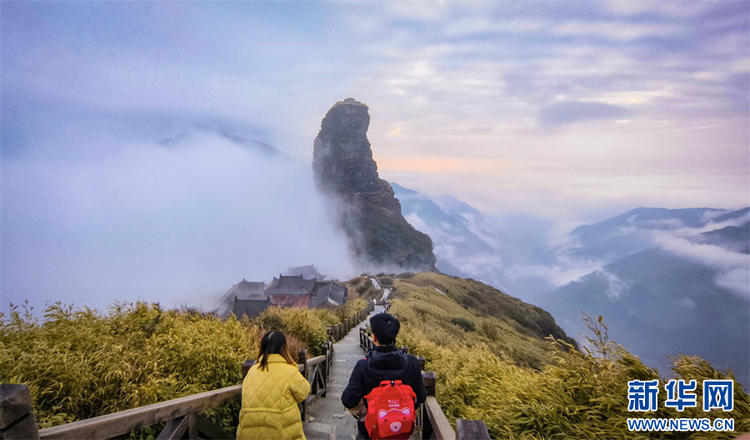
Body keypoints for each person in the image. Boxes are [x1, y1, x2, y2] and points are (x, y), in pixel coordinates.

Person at [342, 313, 427, 439]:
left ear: (374, 337)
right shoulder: (411, 363)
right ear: (395, 336)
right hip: (400, 432)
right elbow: (420, 397)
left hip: (370, 433)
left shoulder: (363, 366)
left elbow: (348, 400)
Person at [237, 331, 311, 440]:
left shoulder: (252, 371)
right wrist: (293, 366)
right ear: (284, 348)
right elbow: (304, 392)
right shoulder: (289, 371)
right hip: (280, 434)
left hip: (249, 435)